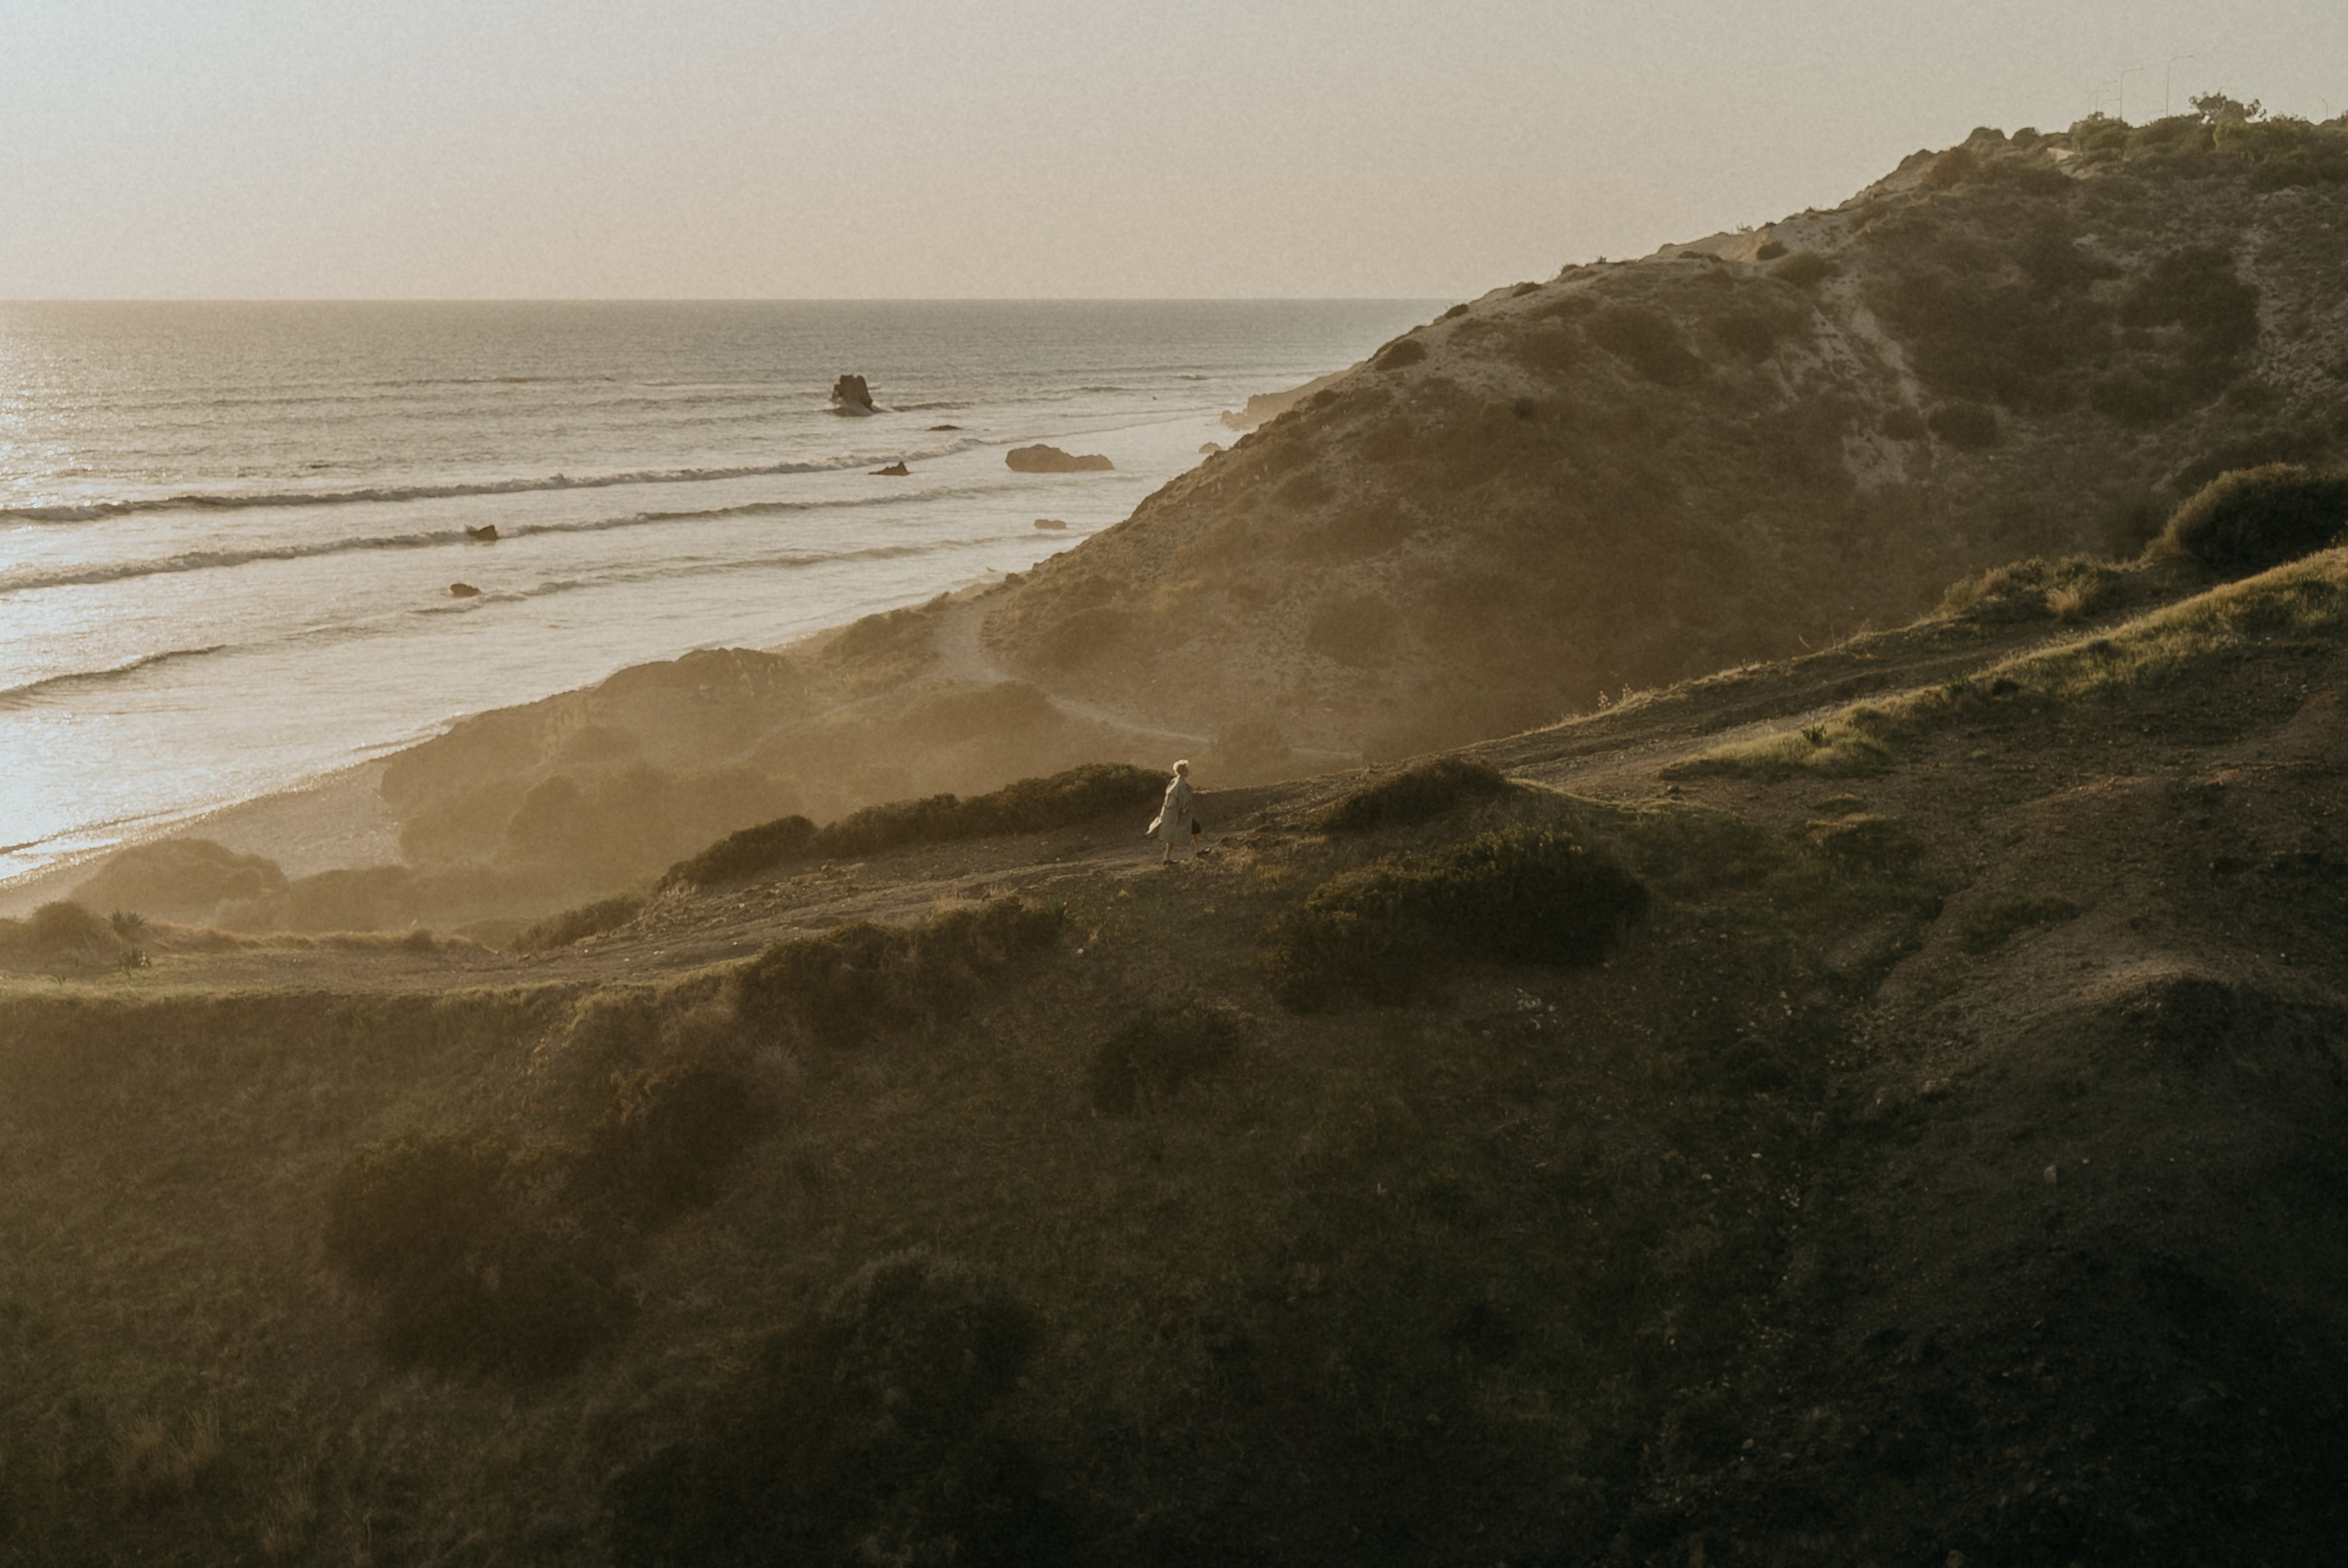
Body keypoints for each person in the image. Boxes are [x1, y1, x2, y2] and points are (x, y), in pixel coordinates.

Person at [1146, 759, 1195, 864]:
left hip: (1169, 811)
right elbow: (1184, 799)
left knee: (1172, 836)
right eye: (1186, 769)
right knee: (1174, 834)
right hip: (1175, 814)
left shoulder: (1174, 781)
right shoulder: (1181, 784)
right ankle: (1167, 858)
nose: (1188, 771)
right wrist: (1186, 810)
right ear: (1182, 771)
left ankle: (1166, 858)